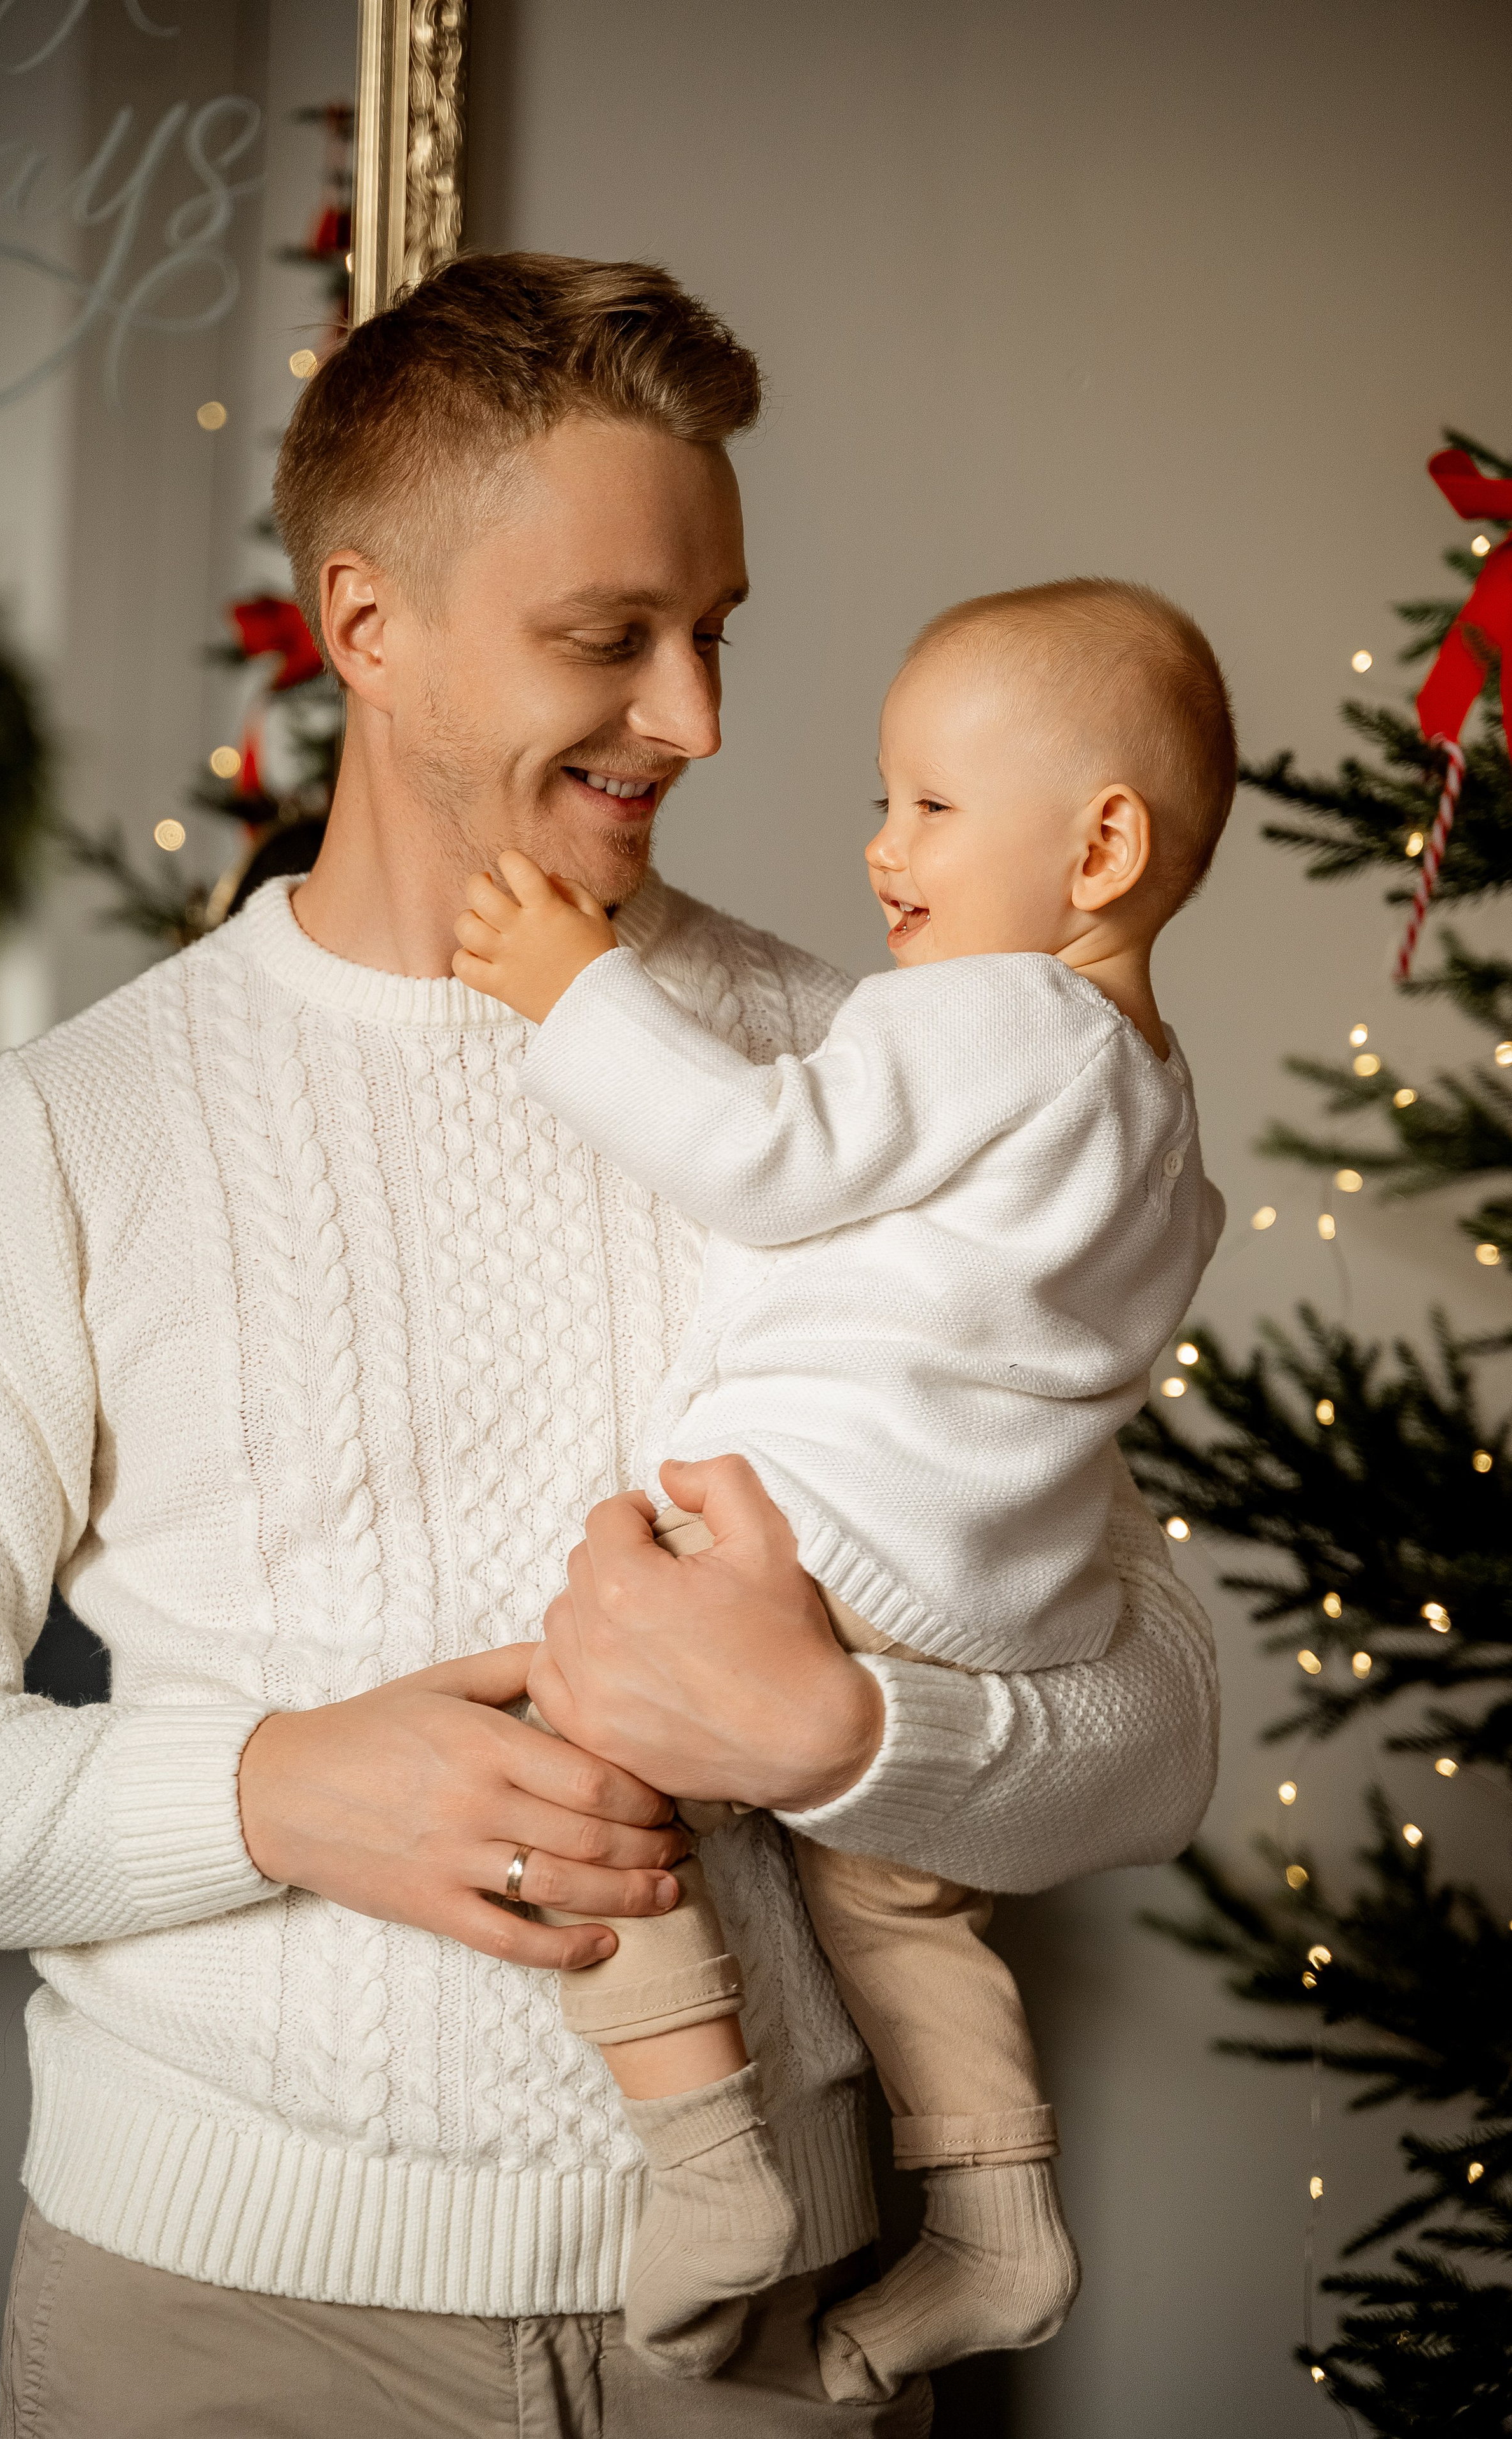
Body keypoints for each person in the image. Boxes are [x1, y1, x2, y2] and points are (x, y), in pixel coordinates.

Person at [0, 254, 1219, 2439]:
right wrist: (268, 1787)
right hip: (222, 2333)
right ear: (368, 627)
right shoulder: (75, 1130)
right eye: (610, 639)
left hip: (768, 2338)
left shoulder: (864, 1065)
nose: (695, 719)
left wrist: (848, 1732)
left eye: (718, 634)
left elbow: (1159, 1717)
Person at [451, 579, 1232, 2401]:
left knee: (584, 1738)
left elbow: (762, 1154)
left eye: (932, 807)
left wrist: (580, 992)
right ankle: (995, 2210)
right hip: (991, 1586)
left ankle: (703, 2149)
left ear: (1101, 844)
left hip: (828, 1526)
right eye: (886, 802)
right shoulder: (1154, 1103)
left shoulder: (993, 1016)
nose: (882, 851)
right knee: (900, 1894)